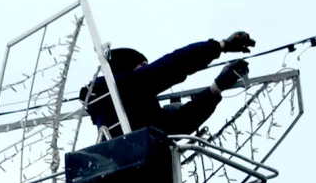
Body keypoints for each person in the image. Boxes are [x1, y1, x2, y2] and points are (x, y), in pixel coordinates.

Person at [81, 31, 257, 138]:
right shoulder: (119, 88)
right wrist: (220, 46)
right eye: (142, 66)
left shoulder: (136, 110)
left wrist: (216, 89)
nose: (147, 69)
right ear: (125, 69)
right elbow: (171, 66)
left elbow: (178, 124)